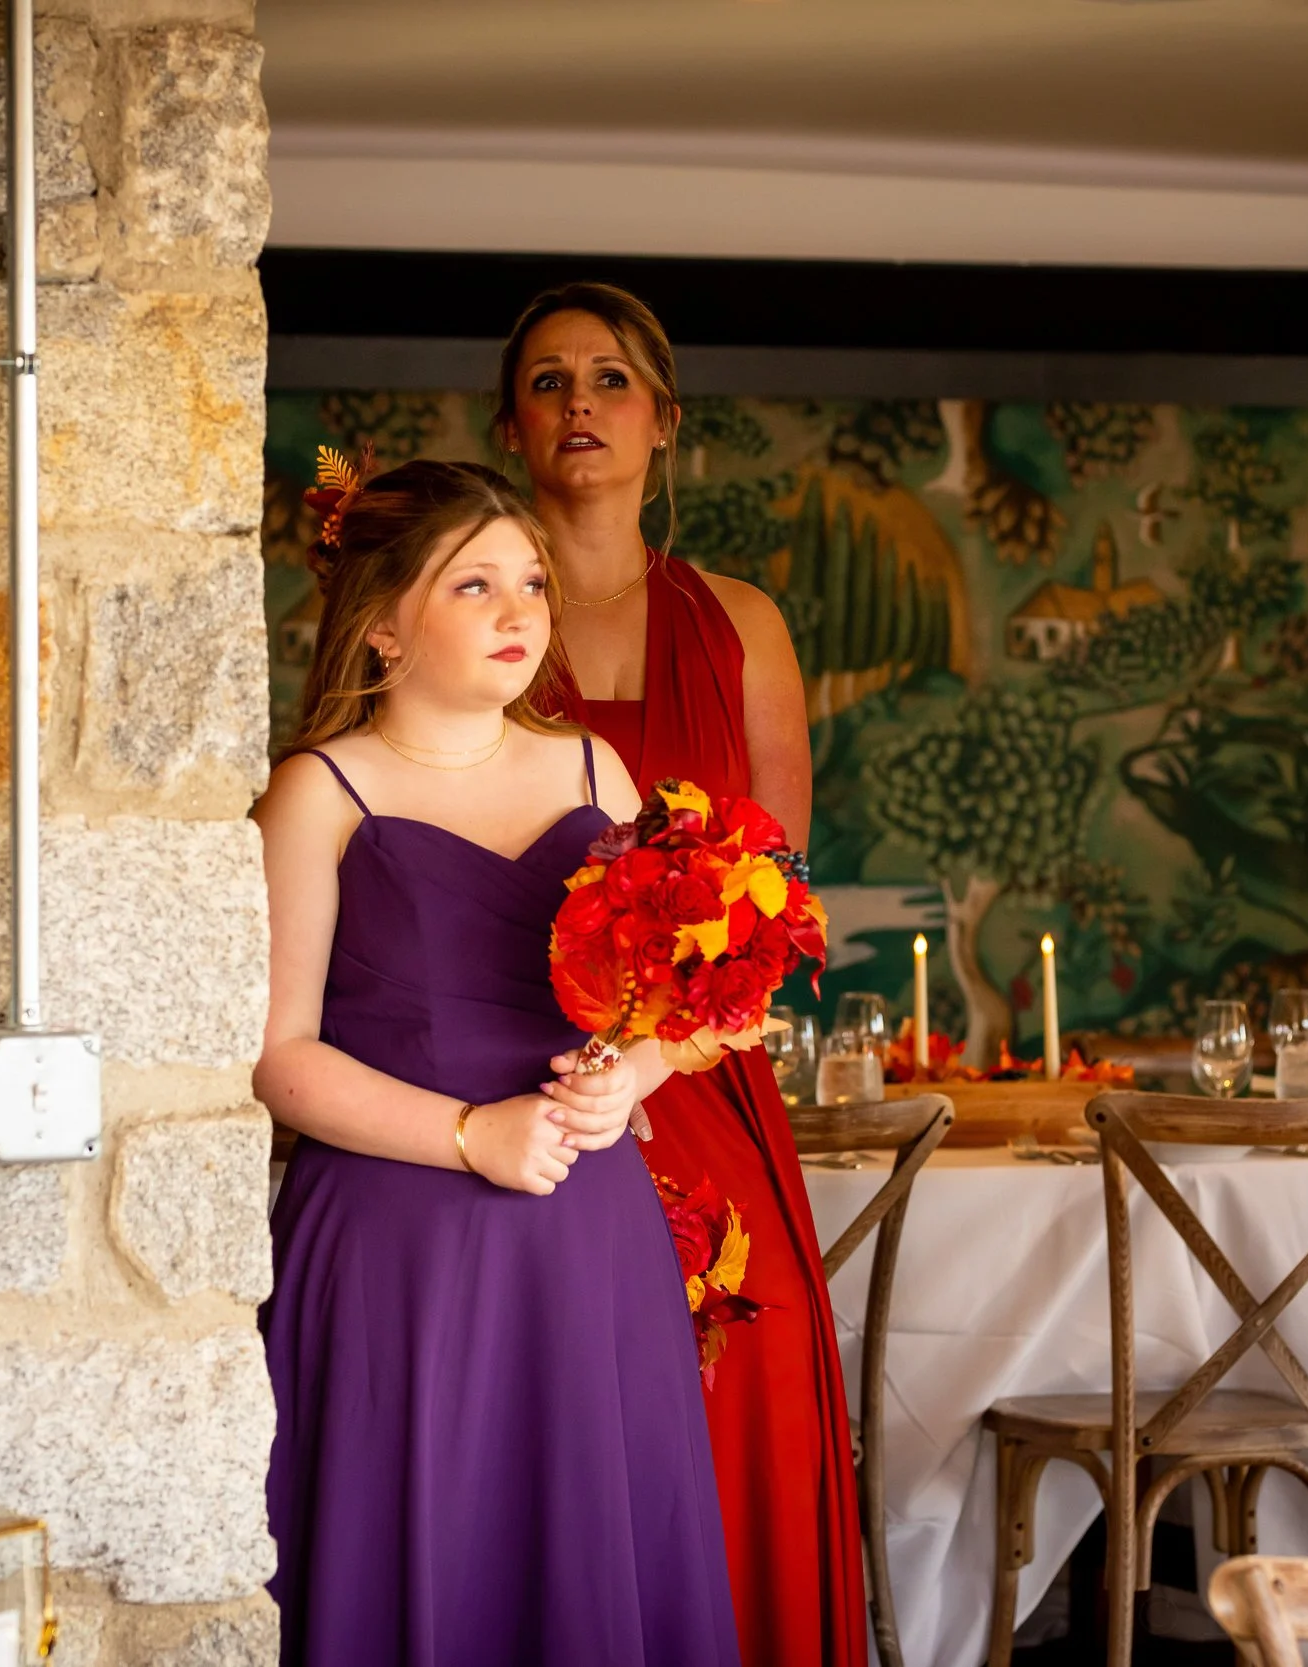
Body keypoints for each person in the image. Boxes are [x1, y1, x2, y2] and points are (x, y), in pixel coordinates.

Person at [254, 456, 740, 1667]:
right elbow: (277, 1055)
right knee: (429, 1546)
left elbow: (651, 1003)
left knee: (592, 1549)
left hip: (589, 1227)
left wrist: (634, 1075)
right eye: (473, 583)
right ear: (381, 624)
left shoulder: (594, 769)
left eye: (529, 580)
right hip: (401, 1238)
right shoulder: (318, 792)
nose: (519, 609)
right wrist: (472, 1134)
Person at [497, 282, 867, 1667]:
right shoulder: (471, 613)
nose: (577, 403)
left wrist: (660, 1052)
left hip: (702, 1074)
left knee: (745, 1379)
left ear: (663, 421)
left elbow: (779, 899)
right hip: (520, 1079)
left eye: (609, 378)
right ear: (510, 426)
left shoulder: (742, 623)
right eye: (547, 380)